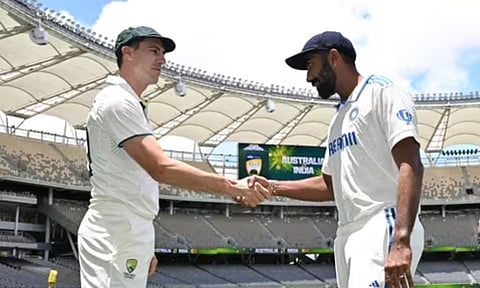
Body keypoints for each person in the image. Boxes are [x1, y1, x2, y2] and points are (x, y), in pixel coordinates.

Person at [77, 26, 269, 288]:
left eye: (163, 53)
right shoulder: (117, 101)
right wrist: (232, 186)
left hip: (127, 229)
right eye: (154, 51)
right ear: (128, 53)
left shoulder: (128, 102)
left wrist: (144, 243)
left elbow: (137, 180)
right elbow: (160, 168)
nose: (162, 59)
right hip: (116, 230)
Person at [245, 31, 424, 288]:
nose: (308, 77)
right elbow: (330, 185)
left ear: (334, 57)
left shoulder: (382, 92)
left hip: (382, 223)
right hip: (348, 233)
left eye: (310, 65)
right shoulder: (338, 118)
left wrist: (400, 240)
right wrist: (273, 187)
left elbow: (412, 163)